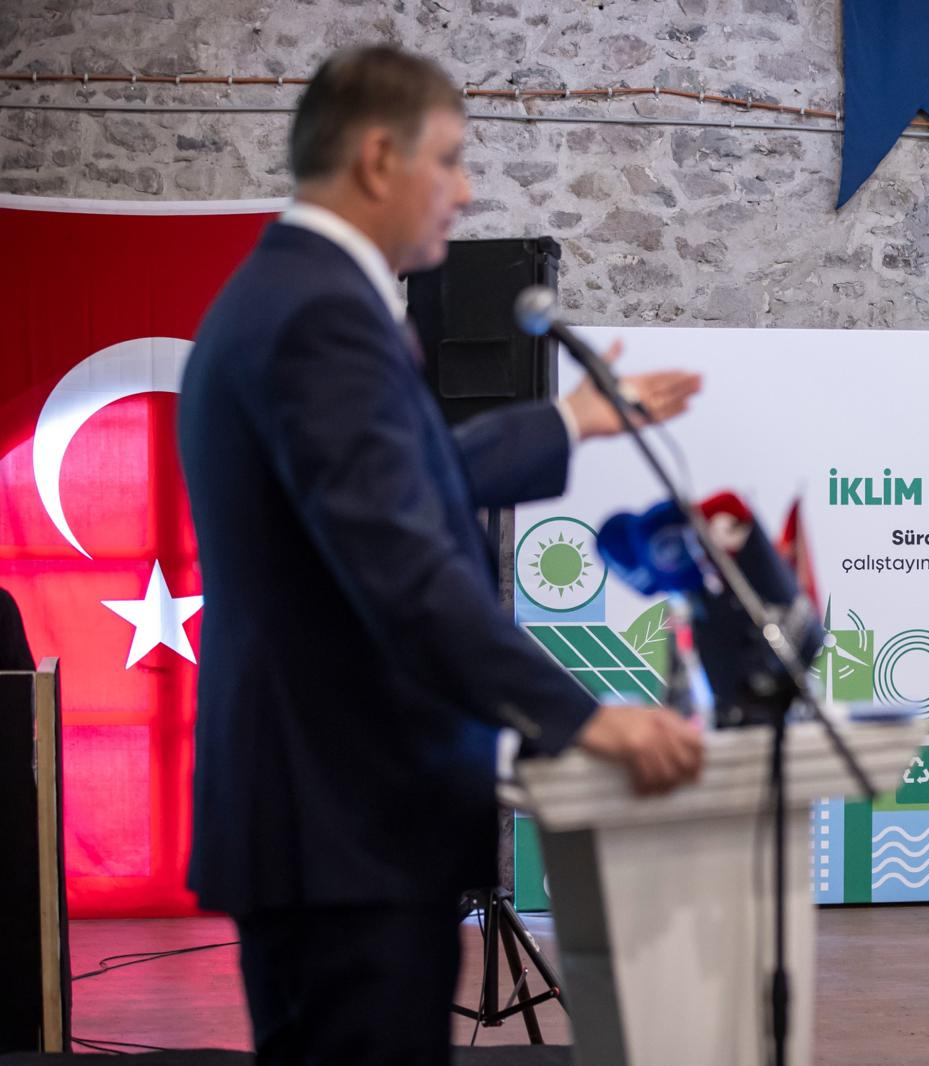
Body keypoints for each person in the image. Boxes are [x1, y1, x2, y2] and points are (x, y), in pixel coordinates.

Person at [178, 44, 704, 1065]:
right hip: (343, 823)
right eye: (452, 159)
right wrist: (583, 718)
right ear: (380, 157)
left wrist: (570, 421)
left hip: (330, 822)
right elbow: (404, 569)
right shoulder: (322, 316)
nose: (465, 192)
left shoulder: (292, 294)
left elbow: (400, 487)